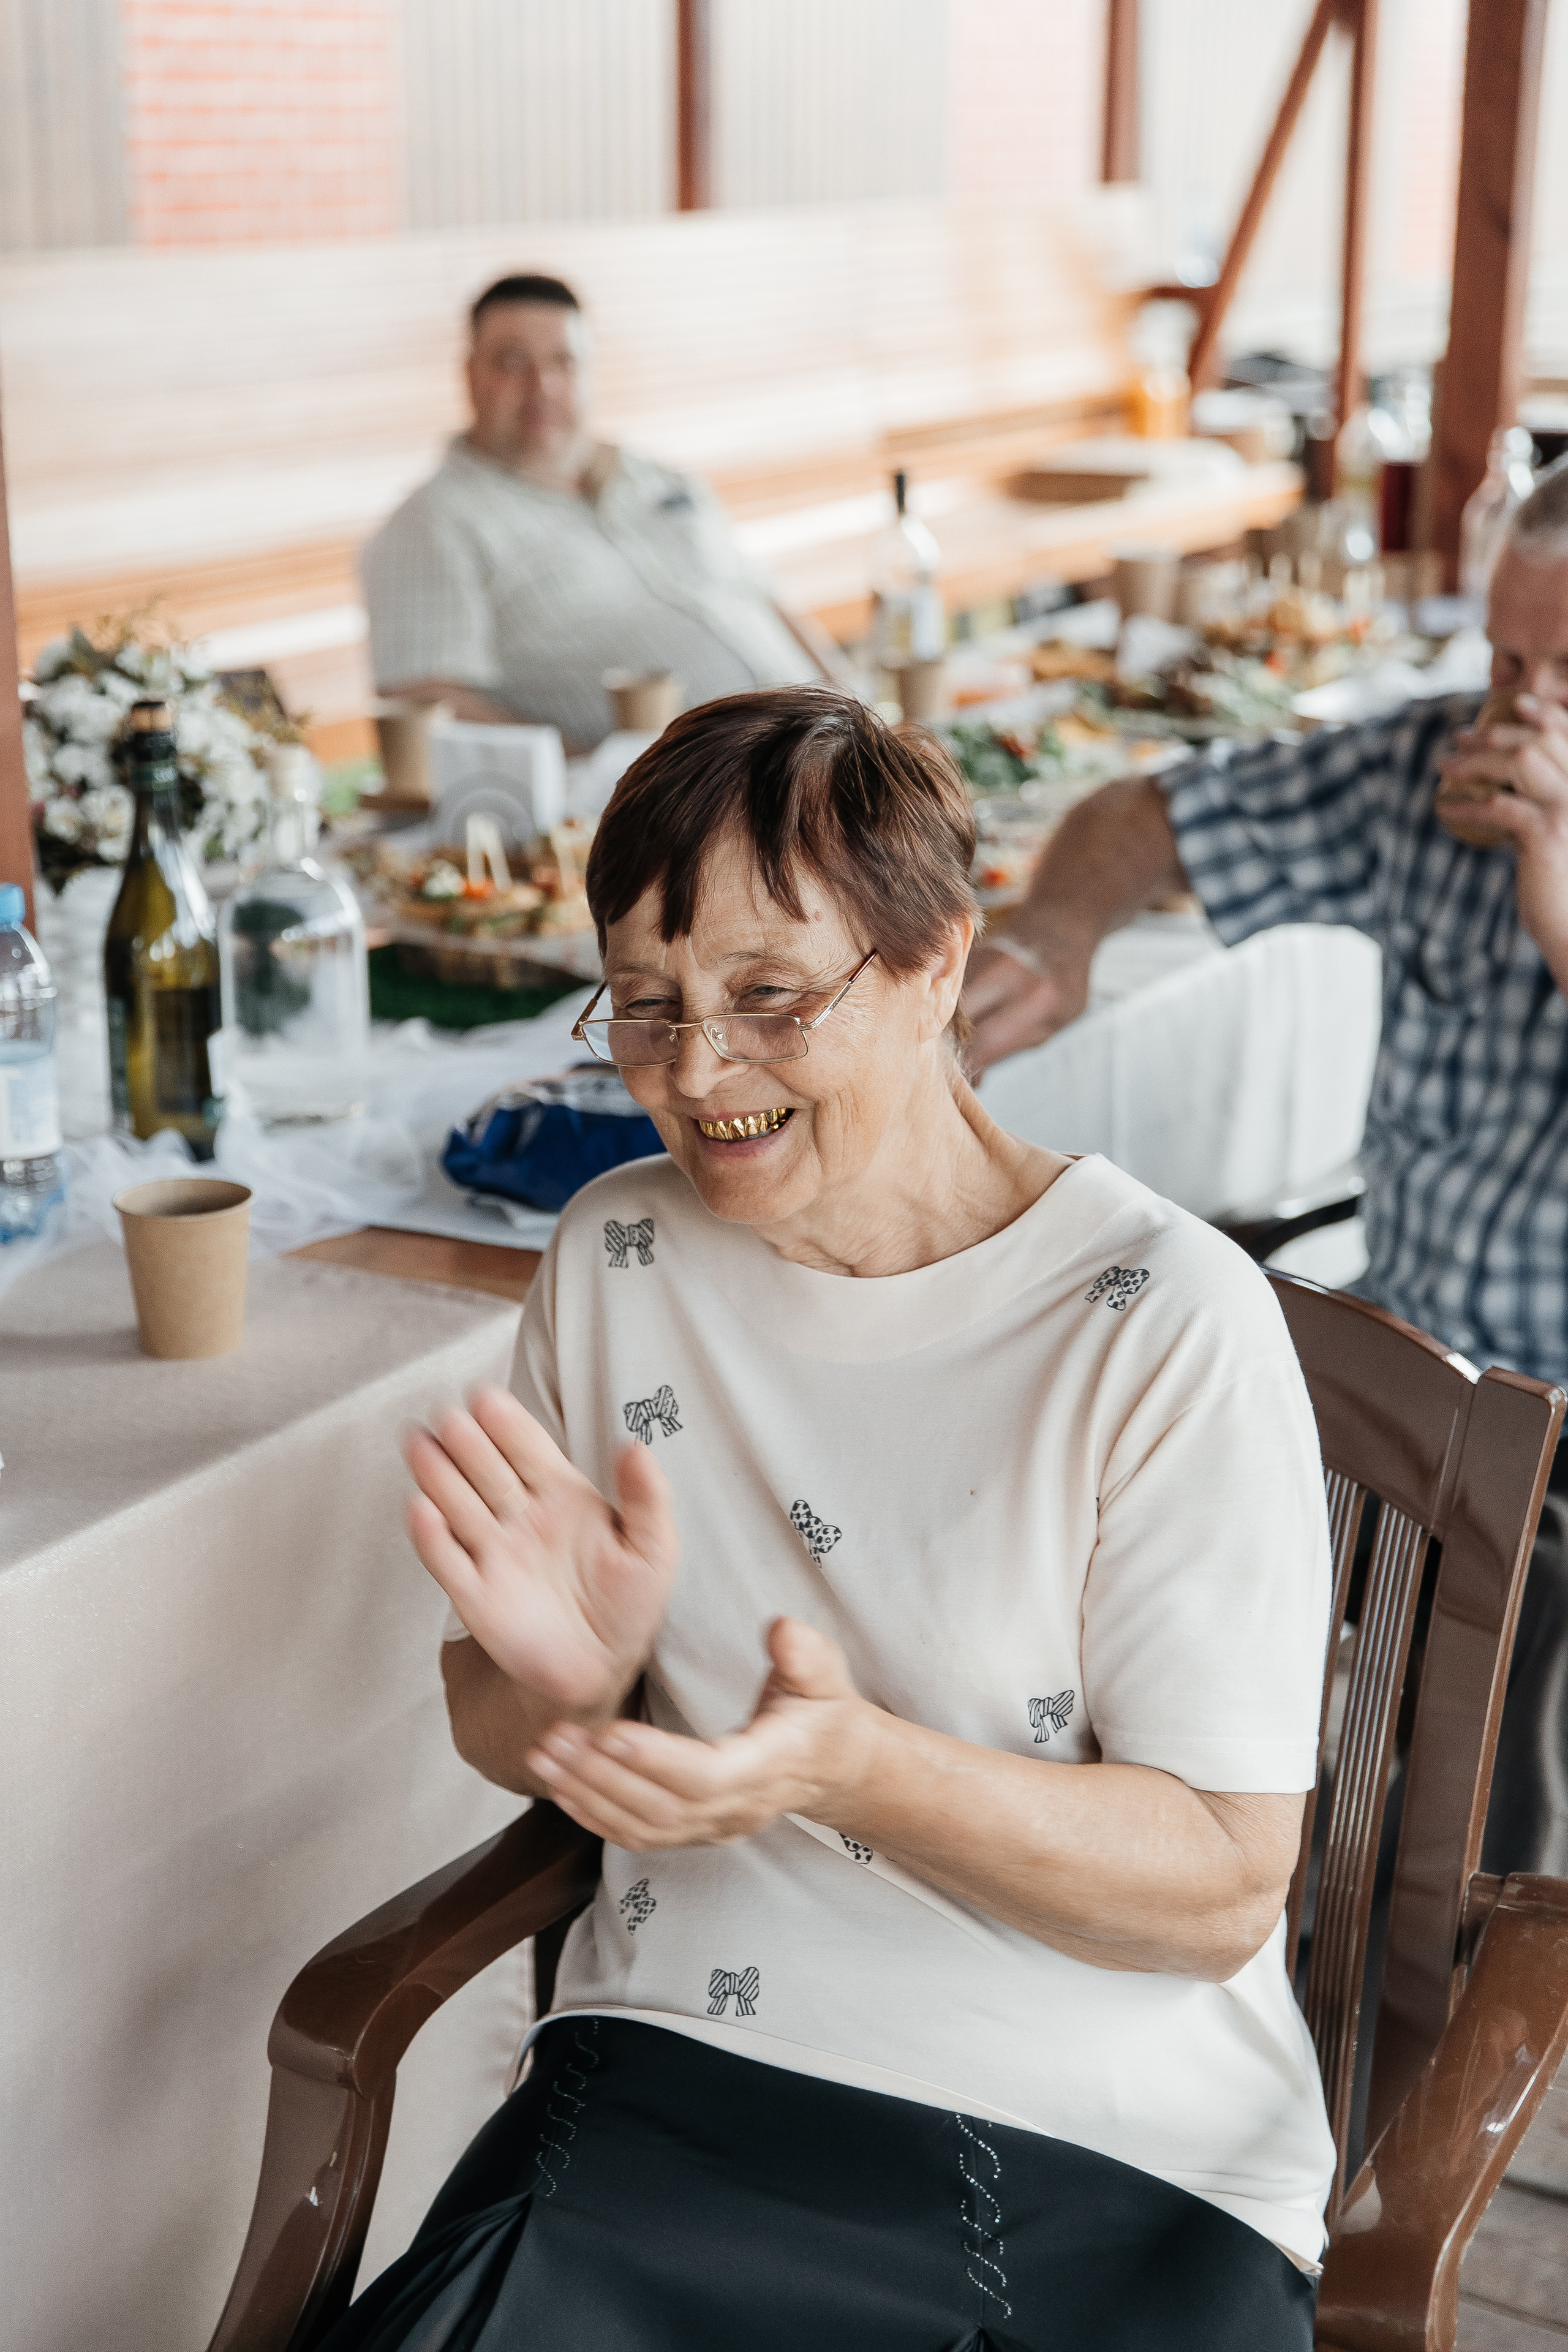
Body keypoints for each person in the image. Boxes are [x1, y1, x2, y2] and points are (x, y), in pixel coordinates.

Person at [327, 687, 1334, 2351]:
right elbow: (506, 1725)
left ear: (939, 960)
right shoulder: (613, 1255)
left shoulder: (1161, 1320)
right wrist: (574, 1684)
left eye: (769, 999)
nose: (699, 1075)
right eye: (646, 1010)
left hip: (1104, 2141)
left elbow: (1224, 1884)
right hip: (676, 2078)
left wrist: (853, 1764)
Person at [963, 458, 1568, 1879]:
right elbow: (1148, 811)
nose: (1513, 707)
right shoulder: (1424, 769)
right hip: (1415, 1359)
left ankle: (1444, 1963)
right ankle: (1161, 1878)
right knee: (1092, 1444)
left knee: (1488, 1644)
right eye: (1500, 656)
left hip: (1549, 1418)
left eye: (1561, 671)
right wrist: (1059, 929)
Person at [360, 273, 826, 752]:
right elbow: (423, 705)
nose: (542, 385)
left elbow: (764, 599)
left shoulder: (662, 480)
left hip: (834, 753)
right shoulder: (432, 525)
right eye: (513, 362)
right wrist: (607, 776)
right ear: (470, 373)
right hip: (695, 806)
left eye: (563, 362)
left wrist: (859, 709)